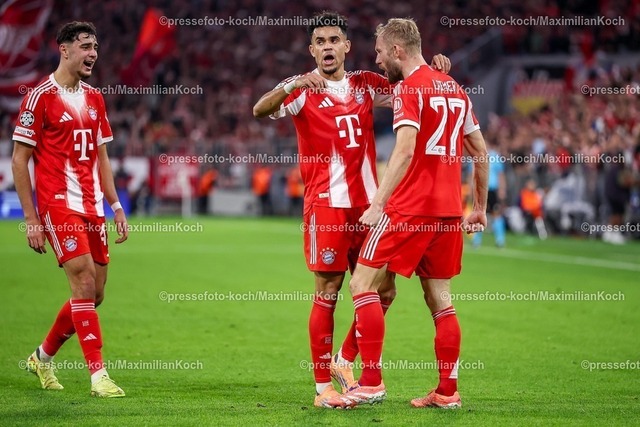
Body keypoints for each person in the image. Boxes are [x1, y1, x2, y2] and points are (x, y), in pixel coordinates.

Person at [253, 11, 451, 407]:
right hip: (326, 207)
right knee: (328, 291)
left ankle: (345, 359)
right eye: (320, 42)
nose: (327, 47)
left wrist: (434, 69)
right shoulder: (302, 89)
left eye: (333, 40)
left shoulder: (365, 84)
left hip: (369, 206)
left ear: (346, 46)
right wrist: (291, 84)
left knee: (384, 289)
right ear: (311, 50)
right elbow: (259, 109)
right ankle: (322, 388)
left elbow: (411, 85)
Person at [325, 18, 488, 409]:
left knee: (362, 284)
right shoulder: (455, 89)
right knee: (441, 302)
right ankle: (447, 392)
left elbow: (405, 149)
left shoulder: (410, 90)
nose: (377, 60)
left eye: (380, 52)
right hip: (448, 213)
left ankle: (371, 382)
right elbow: (481, 152)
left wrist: (378, 203)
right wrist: (479, 208)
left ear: (397, 50)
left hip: (408, 209)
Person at [11, 21, 128, 398]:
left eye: (95, 47)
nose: (93, 53)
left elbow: (102, 157)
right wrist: (31, 219)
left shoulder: (95, 98)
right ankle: (98, 377)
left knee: (95, 294)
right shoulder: (39, 97)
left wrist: (116, 205)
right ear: (64, 50)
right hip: (58, 204)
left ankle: (41, 357)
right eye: (86, 46)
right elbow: (19, 160)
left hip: (92, 205)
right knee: (83, 282)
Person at [472, 143, 507, 247]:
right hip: (480, 190)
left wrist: (502, 189)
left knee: (496, 214)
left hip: (492, 190)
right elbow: (472, 174)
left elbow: (500, 174)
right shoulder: (476, 156)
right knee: (479, 214)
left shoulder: (495, 156)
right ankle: (476, 240)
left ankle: (500, 240)